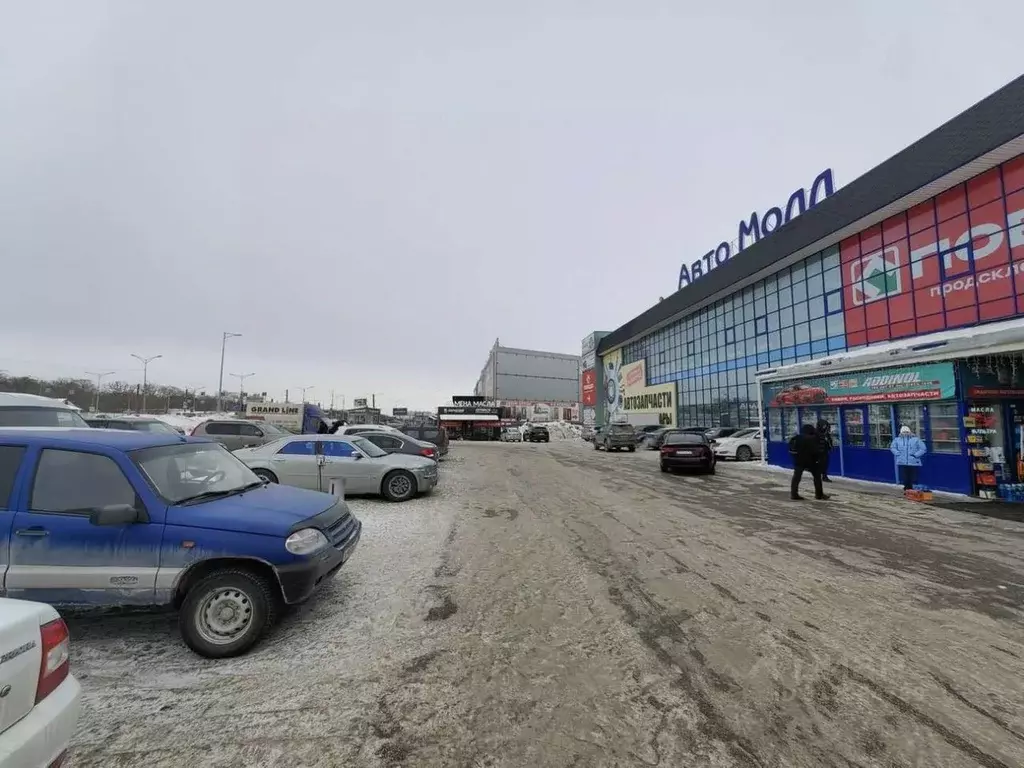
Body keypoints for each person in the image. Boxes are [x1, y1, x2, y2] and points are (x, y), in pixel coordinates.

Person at [789, 423, 830, 501]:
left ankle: (794, 494)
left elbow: (791, 448)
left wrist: (796, 456)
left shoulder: (796, 437)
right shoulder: (812, 438)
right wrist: (818, 459)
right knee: (817, 477)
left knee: (796, 477)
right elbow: (815, 451)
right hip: (811, 461)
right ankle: (819, 494)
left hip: (799, 460)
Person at [890, 425, 927, 490]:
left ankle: (914, 489)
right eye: (904, 432)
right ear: (901, 432)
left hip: (913, 461)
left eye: (907, 432)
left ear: (909, 432)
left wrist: (916, 455)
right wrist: (898, 453)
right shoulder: (897, 440)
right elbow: (892, 447)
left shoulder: (916, 439)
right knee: (905, 476)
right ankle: (907, 488)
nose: (905, 433)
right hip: (903, 461)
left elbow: (923, 448)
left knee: (913, 476)